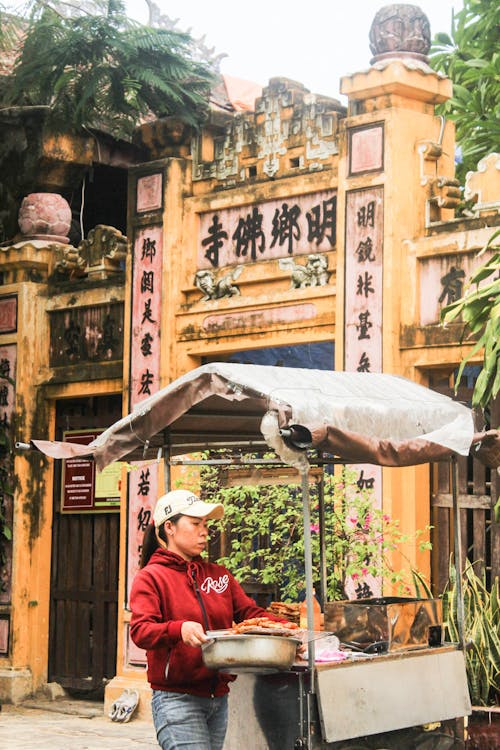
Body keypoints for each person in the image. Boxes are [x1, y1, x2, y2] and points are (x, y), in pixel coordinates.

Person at [130, 488, 287, 750]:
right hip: (177, 699)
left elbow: (249, 614)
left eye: (206, 524)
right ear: (169, 527)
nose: (205, 531)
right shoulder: (151, 577)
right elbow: (141, 631)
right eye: (195, 524)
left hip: (219, 698)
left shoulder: (217, 574)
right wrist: (178, 629)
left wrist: (288, 630)